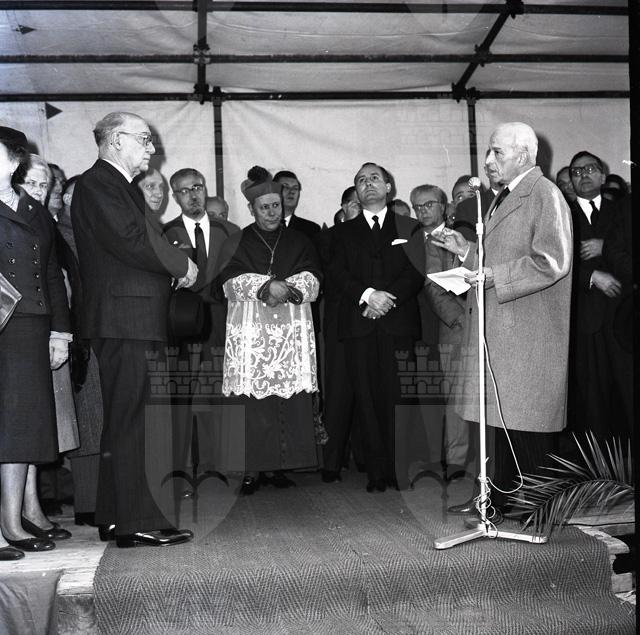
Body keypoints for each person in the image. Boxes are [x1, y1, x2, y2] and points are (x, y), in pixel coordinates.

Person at [433, 122, 573, 518]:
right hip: (501, 333)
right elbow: (501, 257)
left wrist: (494, 276)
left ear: (524, 155)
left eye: (497, 152)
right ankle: (497, 498)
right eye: (489, 152)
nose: (488, 161)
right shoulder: (504, 196)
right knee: (499, 425)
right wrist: (466, 251)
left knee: (527, 427)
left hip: (528, 335)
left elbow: (552, 261)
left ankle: (539, 510)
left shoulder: (543, 193)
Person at [71, 111, 197, 548]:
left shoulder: (113, 185)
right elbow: (132, 240)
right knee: (138, 420)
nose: (151, 148)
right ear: (115, 140)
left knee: (124, 419)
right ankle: (138, 522)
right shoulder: (99, 183)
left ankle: (113, 514)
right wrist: (182, 265)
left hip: (128, 316)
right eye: (143, 139)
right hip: (128, 318)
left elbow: (132, 242)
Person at [219, 166, 321, 494]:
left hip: (290, 335)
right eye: (264, 207)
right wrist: (265, 286)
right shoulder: (237, 241)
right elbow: (228, 282)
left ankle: (279, 467)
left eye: (276, 205)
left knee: (286, 402)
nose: (272, 212)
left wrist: (288, 289)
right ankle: (251, 470)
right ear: (251, 209)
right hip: (252, 336)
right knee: (252, 403)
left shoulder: (300, 240)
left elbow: (314, 276)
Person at [326, 162, 424, 492]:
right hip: (359, 324)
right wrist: (368, 296)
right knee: (366, 399)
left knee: (400, 398)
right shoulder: (341, 232)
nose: (368, 184)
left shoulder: (410, 226)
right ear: (356, 190)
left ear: (388, 186)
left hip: (398, 323)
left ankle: (399, 469)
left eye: (374, 178)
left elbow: (415, 272)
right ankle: (376, 473)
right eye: (361, 180)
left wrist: (385, 300)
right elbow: (337, 273)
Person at [0, 127, 72, 560]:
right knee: (6, 425)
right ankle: (8, 525)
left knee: (23, 425)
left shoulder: (33, 209)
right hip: (1, 326)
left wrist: (60, 331)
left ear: (14, 162)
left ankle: (15, 519)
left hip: (29, 326)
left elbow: (51, 275)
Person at [163, 168, 239, 483]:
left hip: (223, 324)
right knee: (184, 399)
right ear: (175, 196)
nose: (192, 195)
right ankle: (182, 468)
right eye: (184, 190)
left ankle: (224, 464)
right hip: (184, 327)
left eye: (197, 187)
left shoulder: (230, 231)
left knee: (224, 394)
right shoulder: (166, 234)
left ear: (205, 189)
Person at [567, 151, 632, 441]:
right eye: (577, 172)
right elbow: (555, 262)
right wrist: (592, 276)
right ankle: (596, 465)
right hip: (585, 320)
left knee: (627, 393)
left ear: (603, 175)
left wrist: (604, 245)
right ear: (571, 181)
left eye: (590, 169)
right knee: (593, 400)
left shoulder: (622, 210)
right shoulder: (563, 213)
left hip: (622, 317)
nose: (584, 175)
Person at [316, 186, 362, 482]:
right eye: (353, 203)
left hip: (371, 322)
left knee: (368, 393)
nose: (359, 207)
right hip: (339, 326)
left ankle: (365, 458)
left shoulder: (377, 235)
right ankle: (332, 462)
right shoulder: (328, 237)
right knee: (338, 394)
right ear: (343, 208)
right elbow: (329, 277)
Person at [273, 170, 321, 239]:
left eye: (295, 188)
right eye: (286, 187)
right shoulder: (261, 225)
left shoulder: (311, 229)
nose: (292, 191)